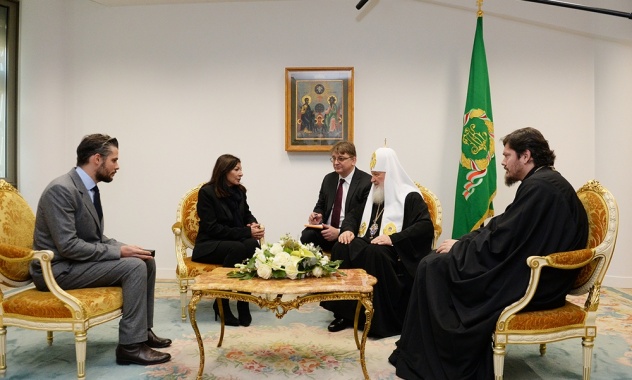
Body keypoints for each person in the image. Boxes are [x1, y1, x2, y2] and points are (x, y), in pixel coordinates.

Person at [389, 127, 589, 379]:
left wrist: (461, 247)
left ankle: (437, 358)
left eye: (507, 155)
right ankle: (422, 351)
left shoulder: (541, 187)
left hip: (540, 281)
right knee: (436, 262)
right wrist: (467, 240)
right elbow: (508, 228)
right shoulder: (542, 181)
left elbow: (505, 238)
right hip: (536, 270)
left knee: (434, 267)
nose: (503, 162)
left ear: (525, 156)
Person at [30, 134, 171, 366]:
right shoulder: (61, 190)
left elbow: (93, 238)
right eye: (114, 160)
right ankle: (130, 347)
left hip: (73, 263)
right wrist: (119, 253)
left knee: (145, 259)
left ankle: (142, 333)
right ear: (97, 159)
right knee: (133, 266)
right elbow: (68, 245)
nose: (117, 166)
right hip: (56, 270)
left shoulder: (88, 188)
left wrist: (124, 247)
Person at [323, 147, 434, 338]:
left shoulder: (409, 196)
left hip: (395, 249)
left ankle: (380, 320)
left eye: (377, 175)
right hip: (369, 242)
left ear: (389, 174)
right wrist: (348, 229)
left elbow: (424, 227)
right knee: (341, 246)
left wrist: (393, 238)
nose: (372, 179)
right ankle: (344, 314)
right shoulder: (373, 192)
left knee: (376, 253)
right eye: (372, 174)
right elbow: (353, 214)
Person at [192, 154, 265, 327]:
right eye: (237, 169)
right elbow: (212, 228)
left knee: (251, 245)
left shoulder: (239, 191)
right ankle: (222, 303)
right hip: (209, 244)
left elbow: (246, 213)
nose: (241, 173)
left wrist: (253, 224)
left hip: (233, 240)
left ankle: (243, 300)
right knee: (238, 249)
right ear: (224, 171)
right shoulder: (207, 193)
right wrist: (246, 231)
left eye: (241, 169)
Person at [300, 141, 372, 252]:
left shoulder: (366, 182)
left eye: (341, 159)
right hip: (326, 231)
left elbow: (361, 216)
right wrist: (317, 216)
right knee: (307, 235)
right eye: (333, 158)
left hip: (348, 232)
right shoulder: (329, 179)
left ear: (353, 160)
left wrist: (339, 232)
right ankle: (316, 266)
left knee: (343, 244)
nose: (336, 162)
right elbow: (321, 204)